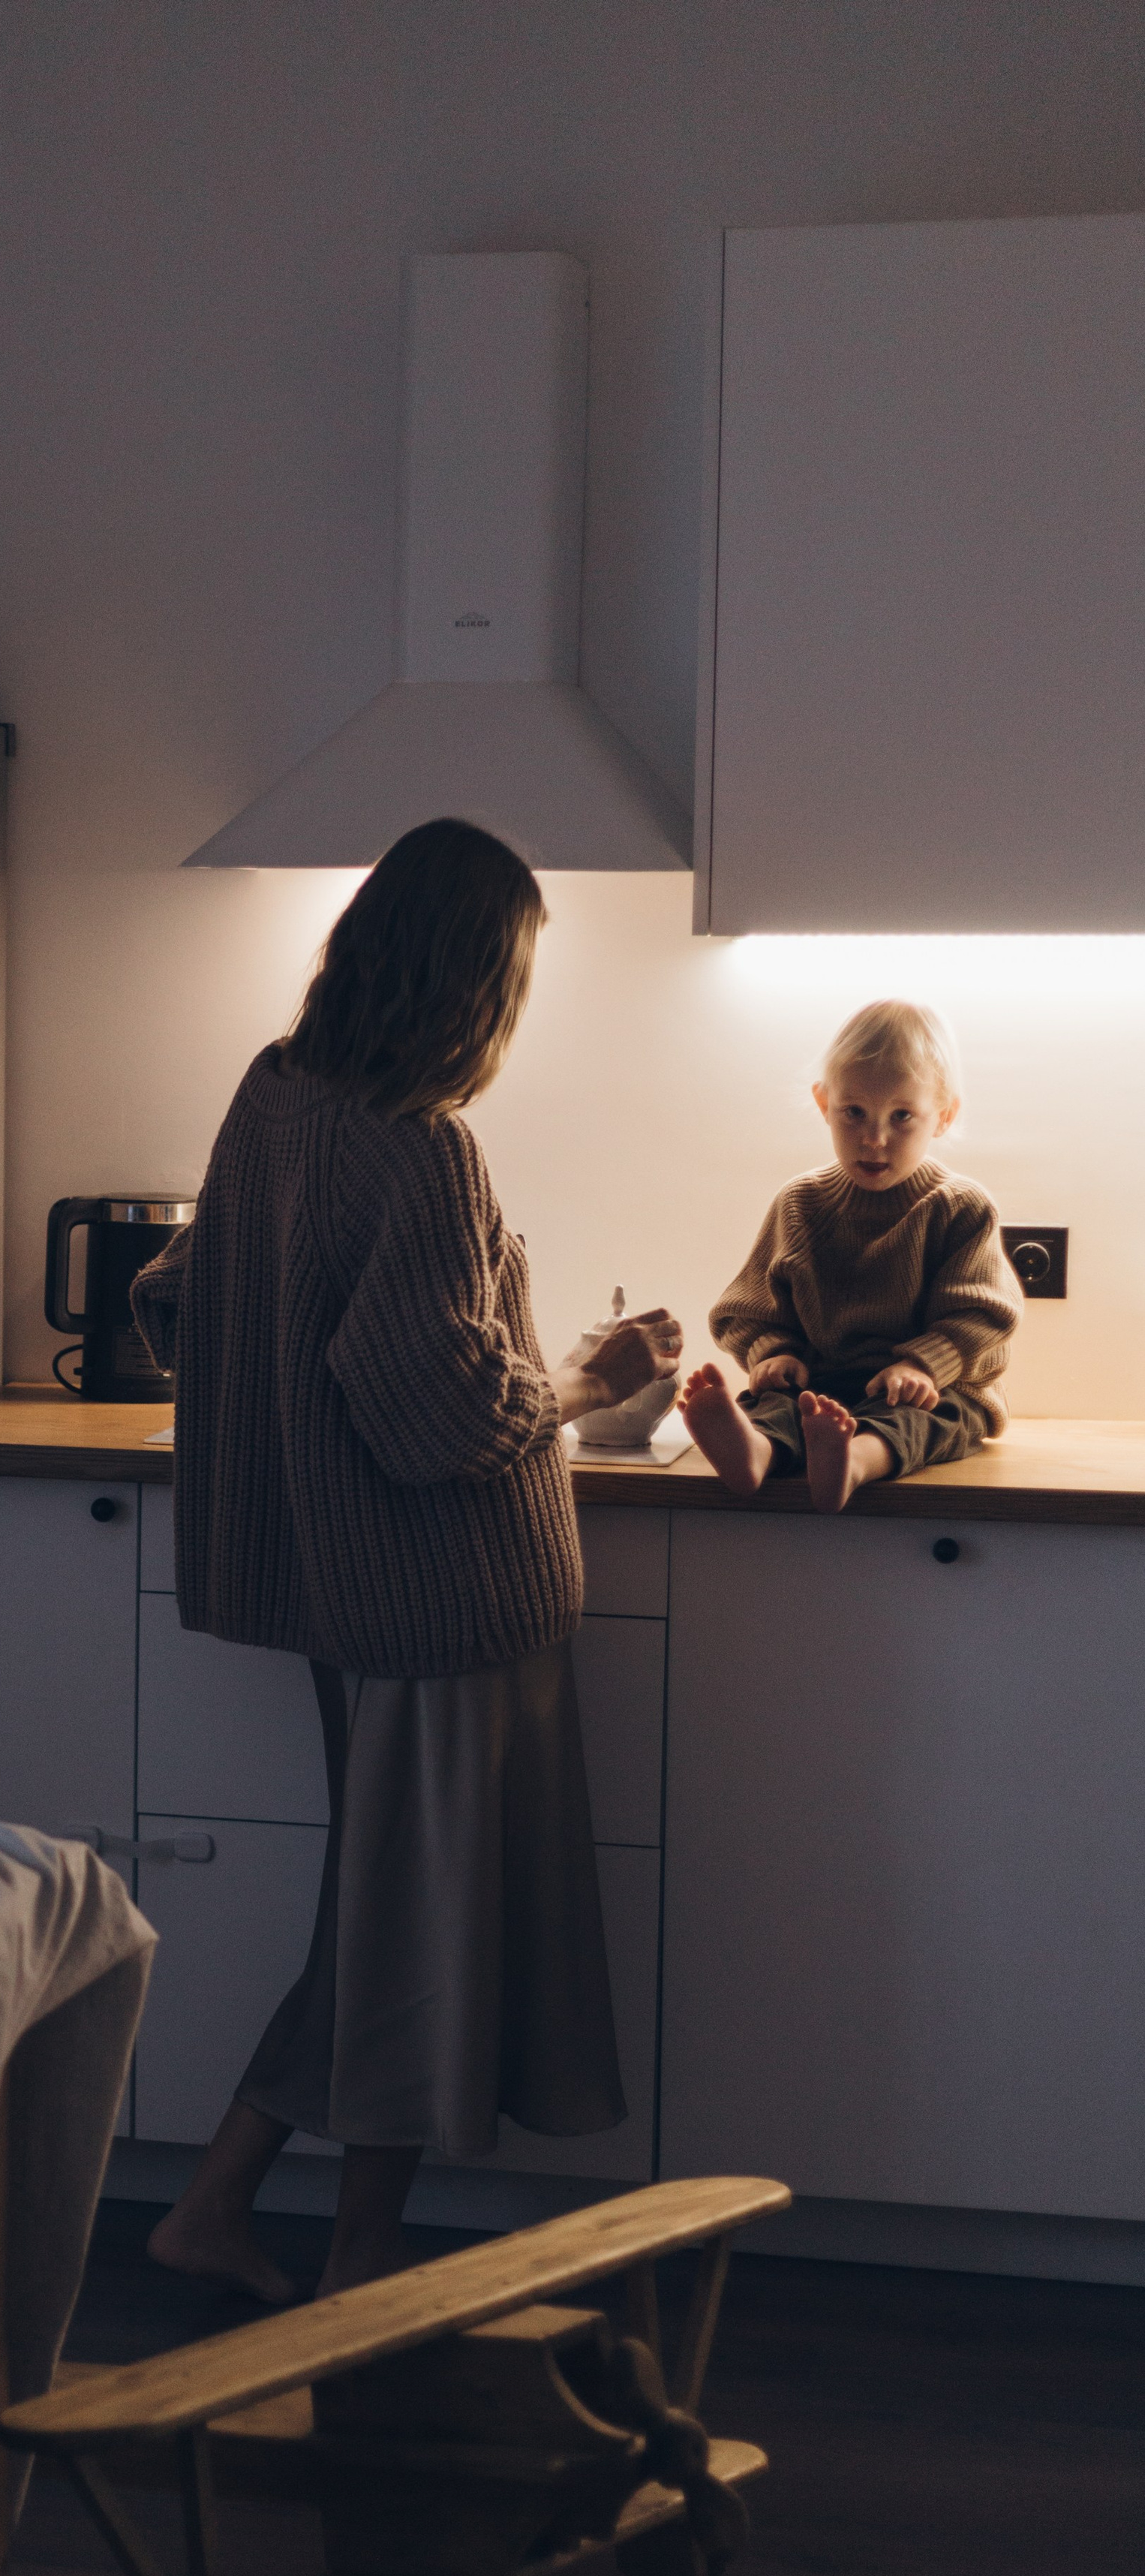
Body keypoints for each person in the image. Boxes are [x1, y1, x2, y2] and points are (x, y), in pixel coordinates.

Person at [129, 817, 681, 2303]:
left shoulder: (276, 1090)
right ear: (471, 982)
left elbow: (176, 1297)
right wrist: (586, 1371)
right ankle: (361, 2259)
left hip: (345, 1597)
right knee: (415, 1945)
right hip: (440, 1608)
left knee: (378, 1922)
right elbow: (444, 1415)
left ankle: (214, 2213)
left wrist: (284, 1426)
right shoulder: (421, 1149)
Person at [681, 999, 1019, 1514]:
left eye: (902, 1116)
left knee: (930, 1416)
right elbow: (746, 1308)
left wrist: (922, 1366)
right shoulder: (800, 1203)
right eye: (853, 1112)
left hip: (930, 1388)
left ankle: (854, 1461)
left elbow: (984, 1313)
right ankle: (757, 1450)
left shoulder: (960, 1208)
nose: (874, 1138)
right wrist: (771, 1353)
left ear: (944, 1116)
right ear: (824, 1104)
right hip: (819, 1387)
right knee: (778, 1403)